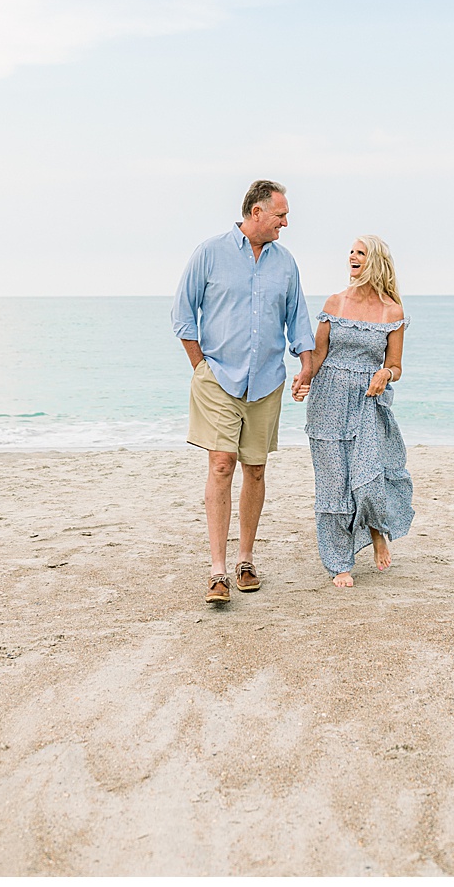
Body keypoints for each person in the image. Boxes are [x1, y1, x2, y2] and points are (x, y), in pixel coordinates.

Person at [172, 180, 315, 604]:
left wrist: (306, 365)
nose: (285, 223)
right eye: (280, 215)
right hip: (218, 377)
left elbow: (298, 319)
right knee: (221, 463)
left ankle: (246, 559)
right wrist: (201, 366)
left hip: (267, 380)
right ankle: (217, 571)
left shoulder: (285, 263)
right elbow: (183, 314)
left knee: (254, 468)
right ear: (256, 212)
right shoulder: (210, 253)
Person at [291, 236, 413, 586]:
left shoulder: (393, 311)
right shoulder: (335, 303)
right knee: (332, 483)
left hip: (367, 401)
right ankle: (339, 562)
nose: (352, 257)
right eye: (351, 252)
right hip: (328, 399)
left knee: (370, 474)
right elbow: (317, 354)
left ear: (375, 261)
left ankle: (376, 532)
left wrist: (385, 374)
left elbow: (396, 366)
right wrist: (303, 378)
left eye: (360, 252)